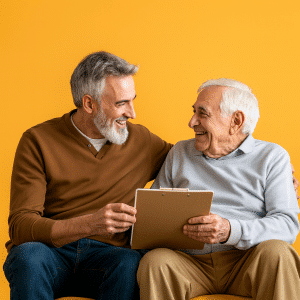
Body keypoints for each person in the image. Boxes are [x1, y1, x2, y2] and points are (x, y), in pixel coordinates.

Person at [3, 51, 172, 300]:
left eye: (132, 100)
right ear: (89, 104)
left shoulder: (142, 141)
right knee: (28, 258)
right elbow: (20, 225)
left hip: (109, 258)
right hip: (50, 254)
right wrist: (91, 223)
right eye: (121, 103)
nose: (132, 113)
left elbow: (189, 163)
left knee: (129, 263)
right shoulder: (37, 140)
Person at [137, 78, 300, 300]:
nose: (192, 121)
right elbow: (151, 216)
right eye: (194, 112)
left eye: (202, 113)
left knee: (278, 253)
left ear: (236, 120)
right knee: (155, 261)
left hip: (247, 261)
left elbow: (287, 225)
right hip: (190, 263)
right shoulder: (180, 152)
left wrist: (229, 230)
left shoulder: (272, 157)